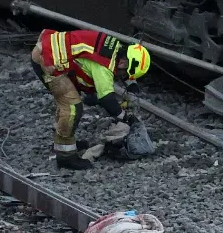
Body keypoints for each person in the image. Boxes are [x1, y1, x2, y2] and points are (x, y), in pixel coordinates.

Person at [30, 29, 152, 170]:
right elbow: (107, 100)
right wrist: (126, 118)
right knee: (72, 107)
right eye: (124, 75)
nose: (120, 77)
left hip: (49, 50)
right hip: (48, 60)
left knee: (68, 101)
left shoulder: (116, 49)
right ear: (123, 63)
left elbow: (95, 93)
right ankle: (65, 157)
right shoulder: (104, 68)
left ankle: (62, 143)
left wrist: (132, 84)